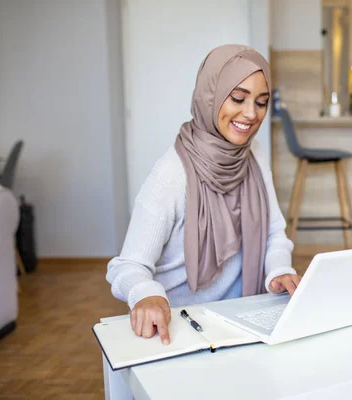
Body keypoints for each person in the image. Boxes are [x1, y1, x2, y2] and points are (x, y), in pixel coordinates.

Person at [106, 44, 301, 346]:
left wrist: (279, 270)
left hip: (240, 321)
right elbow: (128, 266)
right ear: (210, 96)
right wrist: (146, 295)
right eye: (238, 98)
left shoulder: (253, 154)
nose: (251, 114)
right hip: (182, 325)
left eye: (261, 103)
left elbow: (274, 233)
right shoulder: (172, 173)